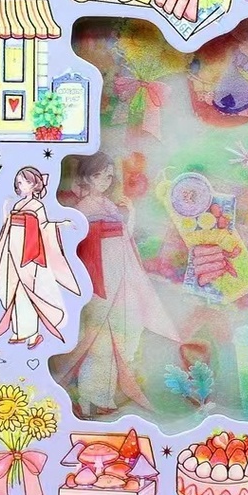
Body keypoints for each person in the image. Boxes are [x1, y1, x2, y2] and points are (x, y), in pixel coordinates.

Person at [52, 152, 180, 416]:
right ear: (86, 177)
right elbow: (77, 246)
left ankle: (104, 397)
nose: (104, 180)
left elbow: (124, 238)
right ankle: (88, 397)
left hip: (119, 273)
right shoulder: (83, 207)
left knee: (118, 337)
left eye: (108, 176)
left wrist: (130, 213)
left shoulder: (109, 205)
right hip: (98, 276)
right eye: (98, 175)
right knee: (97, 339)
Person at [0, 167, 80, 349]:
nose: (20, 185)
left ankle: (33, 335)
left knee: (27, 292)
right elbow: (8, 227)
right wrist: (5, 212)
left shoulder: (37, 206)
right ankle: (18, 331)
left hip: (28, 255)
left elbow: (44, 226)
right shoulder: (17, 205)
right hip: (12, 252)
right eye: (18, 183)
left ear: (33, 184)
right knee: (11, 289)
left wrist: (61, 224)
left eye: (23, 182)